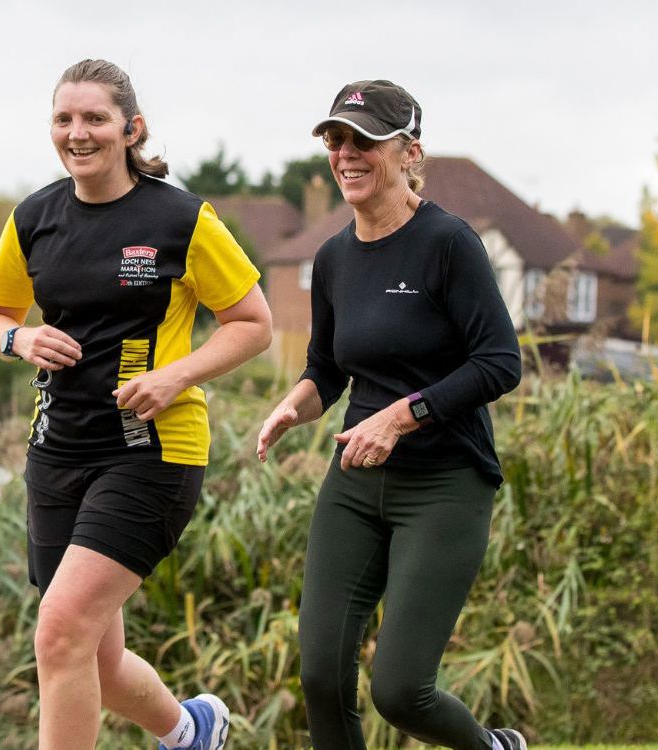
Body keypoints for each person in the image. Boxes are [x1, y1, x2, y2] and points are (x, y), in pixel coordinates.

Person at [0, 58, 272, 750]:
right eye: (64, 119)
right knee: (91, 656)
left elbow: (254, 325)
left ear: (131, 129)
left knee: (60, 631)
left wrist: (176, 377)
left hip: (151, 450)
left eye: (95, 119)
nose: (78, 134)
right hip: (57, 452)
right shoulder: (35, 218)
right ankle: (190, 731)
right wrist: (20, 338)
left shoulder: (180, 217)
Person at [254, 80, 526, 750]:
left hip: (444, 484)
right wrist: (295, 403)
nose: (346, 154)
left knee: (400, 691)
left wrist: (403, 415)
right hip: (354, 481)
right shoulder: (334, 258)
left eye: (364, 141)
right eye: (336, 140)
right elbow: (328, 370)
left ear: (409, 153)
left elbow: (500, 363)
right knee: (320, 674)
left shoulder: (449, 244)